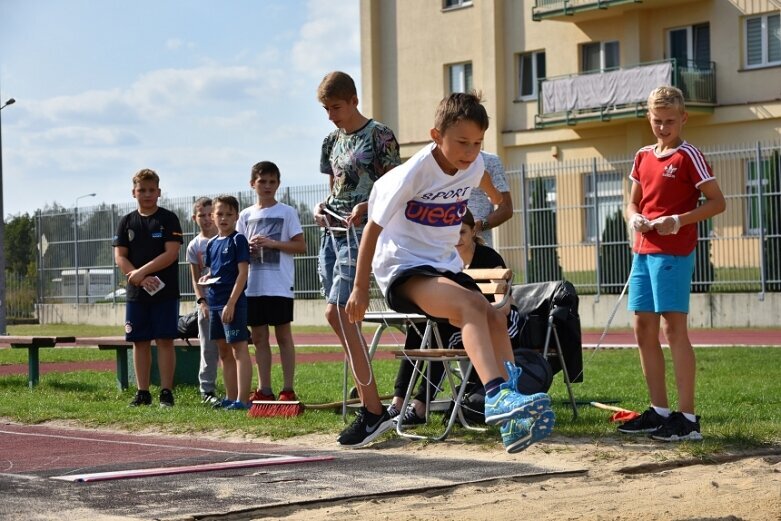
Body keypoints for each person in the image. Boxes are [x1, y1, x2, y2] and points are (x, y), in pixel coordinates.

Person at [346, 91, 555, 454]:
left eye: (477, 143)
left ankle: (512, 412)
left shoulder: (474, 167)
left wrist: (496, 207)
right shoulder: (411, 175)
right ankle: (496, 396)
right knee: (472, 307)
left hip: (443, 264)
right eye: (461, 142)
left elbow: (495, 196)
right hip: (405, 268)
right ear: (435, 135)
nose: (470, 151)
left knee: (493, 317)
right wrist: (359, 289)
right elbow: (371, 231)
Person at [619, 85, 726, 442]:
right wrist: (634, 217)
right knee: (641, 328)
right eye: (657, 121)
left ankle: (688, 418)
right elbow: (632, 202)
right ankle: (659, 412)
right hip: (643, 250)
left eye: (669, 121)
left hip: (674, 253)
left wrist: (679, 220)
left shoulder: (688, 155)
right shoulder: (642, 156)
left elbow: (717, 202)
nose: (663, 128)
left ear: (683, 118)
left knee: (672, 329)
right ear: (649, 118)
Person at [312, 71, 401, 447]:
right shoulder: (330, 139)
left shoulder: (379, 135)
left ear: (353, 101)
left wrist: (368, 205)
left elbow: (396, 187)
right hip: (331, 232)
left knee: (342, 313)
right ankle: (372, 407)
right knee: (335, 314)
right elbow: (336, 185)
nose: (331, 115)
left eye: (335, 107)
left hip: (361, 234)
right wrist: (321, 207)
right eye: (325, 109)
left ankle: (373, 411)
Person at [388, 209, 517, 426]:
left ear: (473, 231)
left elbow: (505, 307)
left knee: (442, 334)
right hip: (462, 321)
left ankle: (420, 406)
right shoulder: (446, 259)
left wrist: (474, 311)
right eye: (451, 233)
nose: (457, 239)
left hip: (497, 323)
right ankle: (398, 402)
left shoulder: (488, 257)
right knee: (417, 329)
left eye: (462, 232)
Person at [112, 168, 183, 407]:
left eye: (152, 190)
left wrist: (143, 271)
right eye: (142, 190)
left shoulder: (168, 218)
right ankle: (143, 393)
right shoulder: (126, 221)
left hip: (166, 292)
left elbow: (171, 253)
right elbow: (120, 256)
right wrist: (139, 278)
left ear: (159, 192)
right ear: (134, 192)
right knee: (139, 342)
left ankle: (166, 392)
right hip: (137, 293)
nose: (147, 194)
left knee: (164, 340)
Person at [238, 161, 307, 403]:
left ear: (278, 183)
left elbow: (301, 245)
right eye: (262, 181)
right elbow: (237, 249)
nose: (267, 186)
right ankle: (264, 388)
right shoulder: (245, 215)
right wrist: (247, 248)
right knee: (258, 338)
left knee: (283, 336)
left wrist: (273, 243)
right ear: (252, 184)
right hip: (253, 285)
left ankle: (287, 389)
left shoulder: (287, 212)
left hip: (279, 284)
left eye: (272, 182)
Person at [200, 195, 253, 410]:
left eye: (228, 214)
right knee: (223, 351)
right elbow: (214, 270)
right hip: (214, 303)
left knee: (239, 349)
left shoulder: (238, 239)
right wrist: (206, 277)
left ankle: (243, 400)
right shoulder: (212, 244)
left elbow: (243, 274)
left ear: (236, 217)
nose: (223, 218)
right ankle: (231, 398)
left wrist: (231, 303)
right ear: (212, 216)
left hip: (232, 304)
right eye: (219, 214)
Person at [186, 197, 221, 405]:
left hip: (227, 302)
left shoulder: (228, 239)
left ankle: (235, 390)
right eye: (202, 215)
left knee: (231, 348)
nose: (207, 219)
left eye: (210, 214)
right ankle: (207, 390)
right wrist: (201, 301)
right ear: (194, 218)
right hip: (207, 304)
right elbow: (195, 277)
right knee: (208, 347)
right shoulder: (194, 246)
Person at [468, 151, 513, 248]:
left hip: (480, 248)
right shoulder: (437, 162)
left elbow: (506, 209)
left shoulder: (490, 161)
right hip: (445, 249)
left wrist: (480, 226)